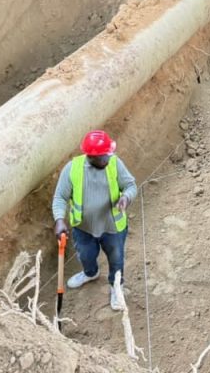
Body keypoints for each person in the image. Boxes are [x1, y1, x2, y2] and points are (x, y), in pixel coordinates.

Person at [52, 130, 138, 311]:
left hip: (112, 227)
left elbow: (130, 185)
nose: (108, 158)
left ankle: (116, 286)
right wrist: (59, 220)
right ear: (91, 156)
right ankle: (90, 273)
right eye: (104, 156)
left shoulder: (114, 163)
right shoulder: (73, 169)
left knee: (116, 259)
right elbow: (60, 197)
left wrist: (126, 198)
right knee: (86, 256)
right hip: (84, 229)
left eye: (108, 154)